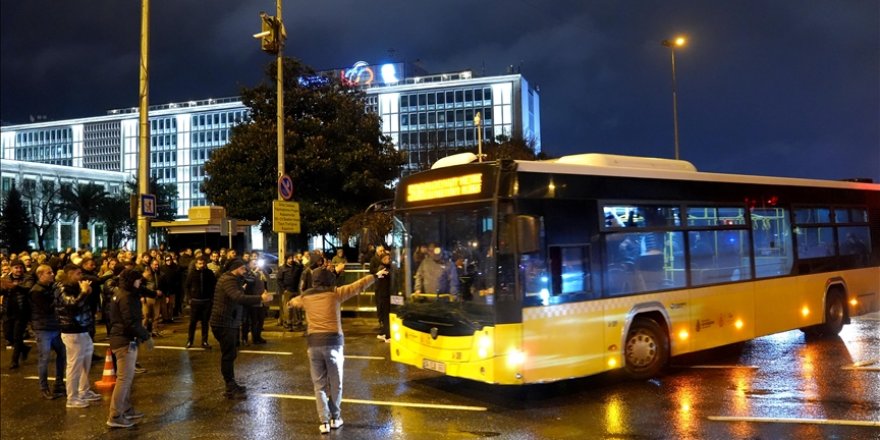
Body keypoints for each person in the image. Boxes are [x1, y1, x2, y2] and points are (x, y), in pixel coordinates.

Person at [289, 263, 388, 434]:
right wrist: (375, 275)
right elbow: (357, 286)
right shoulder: (335, 294)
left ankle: (324, 422)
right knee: (336, 383)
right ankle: (335, 418)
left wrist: (292, 302)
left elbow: (293, 302)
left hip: (314, 345)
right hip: (334, 343)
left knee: (319, 385)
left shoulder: (306, 297)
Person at [210, 259, 273, 399]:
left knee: (231, 354)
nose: (245, 270)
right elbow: (238, 297)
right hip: (223, 322)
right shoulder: (228, 280)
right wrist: (260, 298)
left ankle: (231, 383)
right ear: (236, 268)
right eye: (243, 268)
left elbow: (250, 280)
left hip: (230, 322)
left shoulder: (235, 279)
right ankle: (230, 386)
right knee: (228, 355)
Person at [106, 269, 154, 428]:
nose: (140, 282)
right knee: (124, 380)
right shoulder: (125, 297)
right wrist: (146, 336)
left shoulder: (123, 293)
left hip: (123, 339)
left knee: (126, 378)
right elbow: (130, 322)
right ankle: (115, 415)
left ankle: (125, 408)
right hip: (124, 341)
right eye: (138, 280)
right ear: (131, 281)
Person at [55, 263, 102, 408]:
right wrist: (83, 292)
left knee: (86, 360)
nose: (81, 277)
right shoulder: (62, 288)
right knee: (74, 365)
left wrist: (86, 292)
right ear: (69, 274)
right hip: (72, 330)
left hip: (83, 328)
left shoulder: (76, 287)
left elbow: (84, 306)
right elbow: (71, 306)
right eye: (78, 274)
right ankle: (72, 397)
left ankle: (83, 390)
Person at [29, 264, 67, 399]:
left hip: (54, 326)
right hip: (43, 328)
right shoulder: (36, 291)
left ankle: (59, 383)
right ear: (40, 275)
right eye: (49, 272)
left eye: (52, 272)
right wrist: (57, 296)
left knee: (62, 353)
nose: (52, 274)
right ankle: (44, 387)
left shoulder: (50, 287)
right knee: (44, 358)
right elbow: (47, 308)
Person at [3, 260, 31, 369]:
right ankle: (24, 348)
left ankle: (14, 361)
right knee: (7, 335)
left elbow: (27, 288)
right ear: (11, 268)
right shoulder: (6, 278)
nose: (18, 270)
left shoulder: (27, 277)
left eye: (20, 267)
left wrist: (13, 286)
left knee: (17, 336)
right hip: (8, 311)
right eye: (16, 267)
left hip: (21, 312)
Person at [184, 256, 216, 349]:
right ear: (196, 264)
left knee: (205, 322)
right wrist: (189, 298)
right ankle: (190, 340)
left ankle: (204, 341)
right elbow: (187, 286)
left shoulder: (209, 273)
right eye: (199, 263)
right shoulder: (192, 274)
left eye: (203, 263)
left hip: (206, 301)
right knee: (192, 322)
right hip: (195, 301)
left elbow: (214, 285)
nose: (201, 265)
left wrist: (212, 298)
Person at [241, 259, 269, 345]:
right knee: (249, 321)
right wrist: (253, 272)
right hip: (251, 299)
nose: (256, 265)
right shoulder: (247, 272)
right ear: (249, 265)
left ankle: (257, 337)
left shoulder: (260, 272)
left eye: (257, 263)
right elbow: (247, 281)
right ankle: (244, 338)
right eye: (253, 263)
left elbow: (267, 279)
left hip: (261, 299)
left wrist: (263, 270)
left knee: (260, 320)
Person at [277, 253, 303, 330]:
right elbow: (279, 280)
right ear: (286, 259)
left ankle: (296, 324)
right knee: (287, 308)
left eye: (292, 258)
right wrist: (284, 289)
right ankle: (288, 323)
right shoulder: (282, 268)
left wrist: (298, 263)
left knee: (296, 308)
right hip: (287, 290)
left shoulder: (297, 267)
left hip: (296, 290)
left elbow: (302, 269)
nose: (291, 260)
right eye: (289, 258)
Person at [373, 253, 393, 342]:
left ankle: (383, 333)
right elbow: (387, 276)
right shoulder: (383, 268)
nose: (389, 260)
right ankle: (387, 336)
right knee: (386, 316)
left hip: (383, 295)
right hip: (384, 295)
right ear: (383, 259)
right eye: (387, 258)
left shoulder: (384, 267)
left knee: (385, 315)